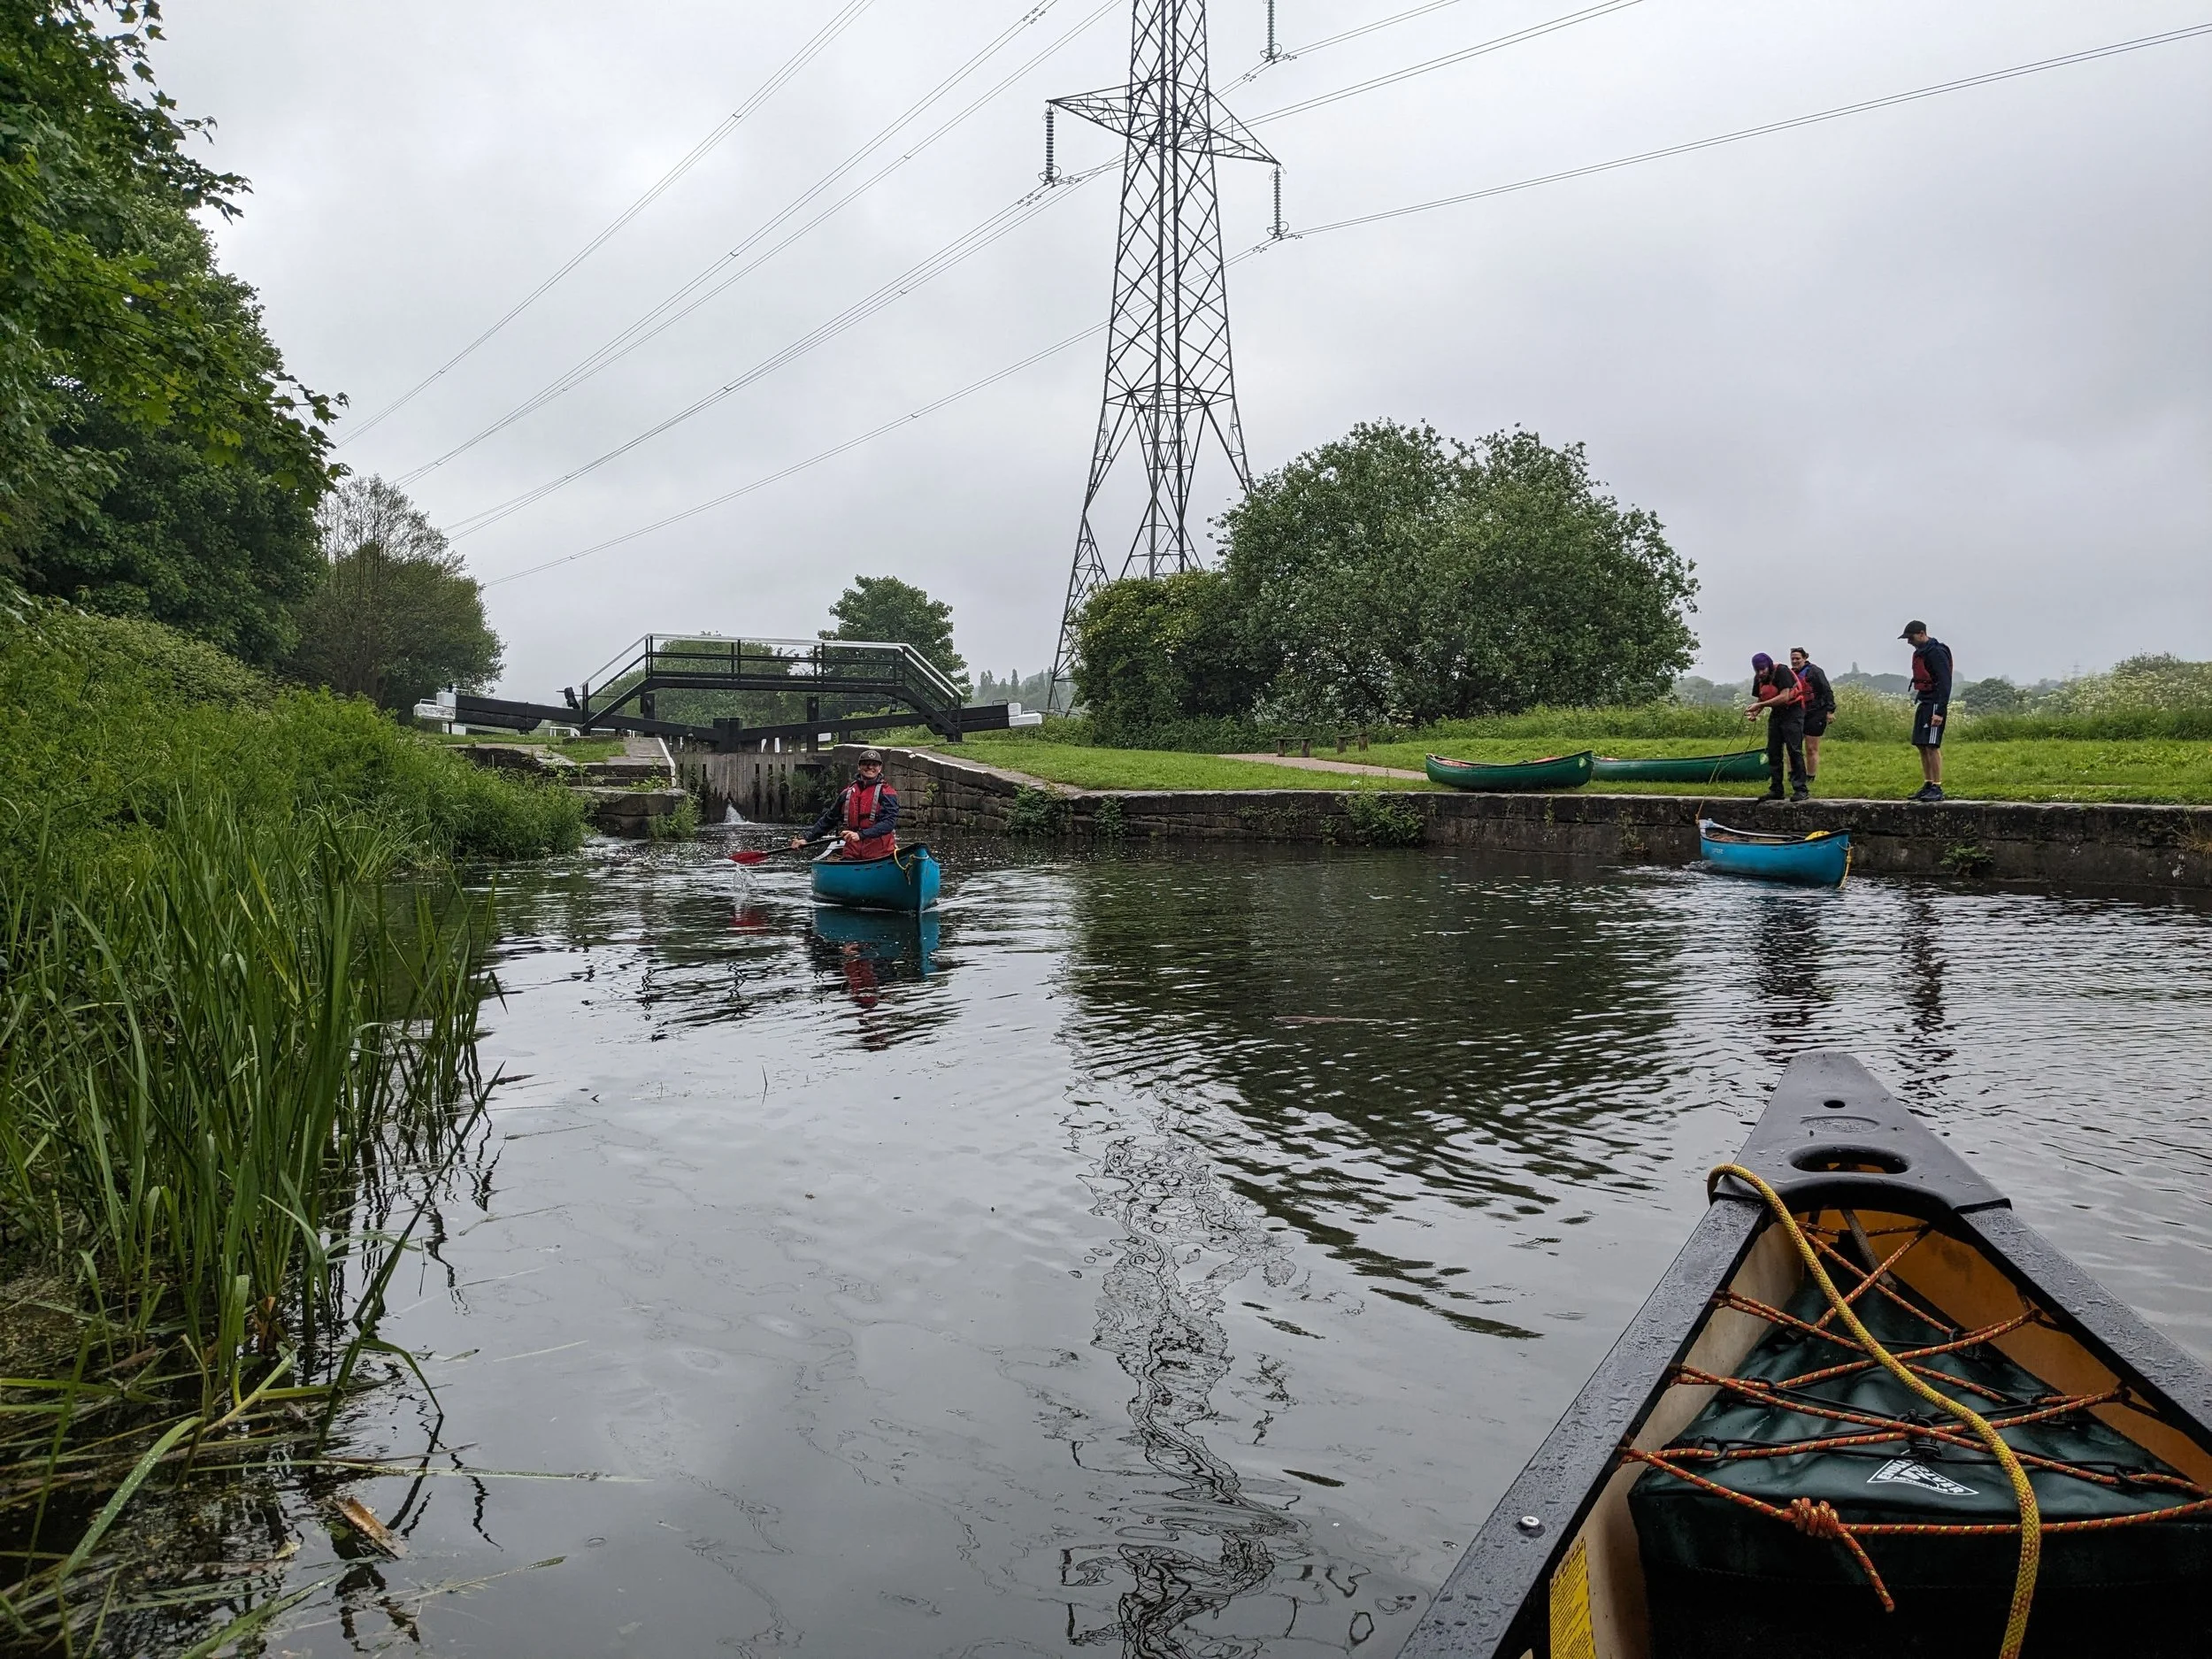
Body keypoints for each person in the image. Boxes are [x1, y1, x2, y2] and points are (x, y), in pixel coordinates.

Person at [792, 748, 899, 858]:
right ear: (859, 767)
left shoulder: (887, 793)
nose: (870, 767)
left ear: (880, 768)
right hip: (852, 854)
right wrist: (806, 839)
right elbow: (829, 820)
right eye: (866, 764)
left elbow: (889, 823)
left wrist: (861, 835)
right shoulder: (847, 793)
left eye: (874, 765)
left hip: (881, 854)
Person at [1901, 622, 1954, 803]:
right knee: (1921, 744)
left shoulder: (1936, 652)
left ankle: (1937, 787)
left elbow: (1945, 683)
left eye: (1911, 637)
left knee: (1931, 745)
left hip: (1935, 703)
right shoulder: (1922, 652)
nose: (1909, 642)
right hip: (1924, 701)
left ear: (1922, 634)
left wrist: (1940, 711)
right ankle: (1928, 784)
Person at [1744, 652, 1808, 802]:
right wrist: (1755, 713)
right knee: (1773, 751)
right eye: (1758, 670)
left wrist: (1760, 705)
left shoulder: (1782, 671)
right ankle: (1776, 789)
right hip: (1777, 713)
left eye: (1763, 669)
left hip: (1793, 711)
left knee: (1794, 750)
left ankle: (1801, 789)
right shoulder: (1759, 678)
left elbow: (1784, 697)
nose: (1761, 672)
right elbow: (1762, 697)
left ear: (1769, 665)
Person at [1788, 647, 1836, 783]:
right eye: (1792, 659)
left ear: (1805, 658)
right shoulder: (1790, 674)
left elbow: (1827, 691)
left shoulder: (1815, 672)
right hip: (1797, 713)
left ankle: (1810, 777)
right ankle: (1793, 774)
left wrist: (1830, 711)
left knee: (1811, 748)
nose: (1795, 661)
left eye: (1797, 659)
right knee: (1792, 747)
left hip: (1815, 713)